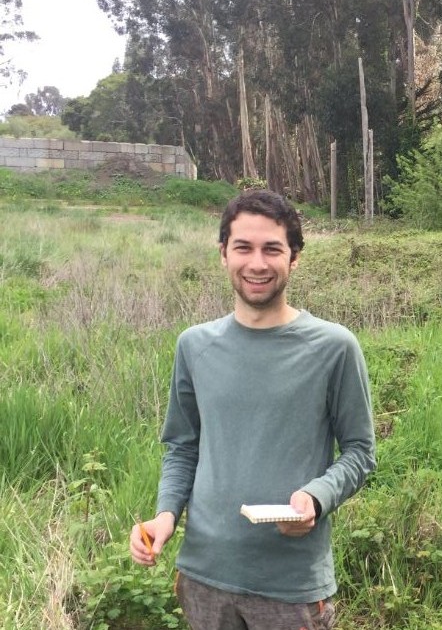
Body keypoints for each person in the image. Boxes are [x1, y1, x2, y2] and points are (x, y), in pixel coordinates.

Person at [130, 189, 376, 630]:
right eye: (243, 247)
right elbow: (182, 448)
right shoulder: (194, 346)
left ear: (294, 257)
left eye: (272, 249)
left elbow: (360, 452)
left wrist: (318, 499)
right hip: (203, 576)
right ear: (223, 253)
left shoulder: (334, 347)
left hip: (290, 586)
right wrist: (165, 516)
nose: (257, 263)